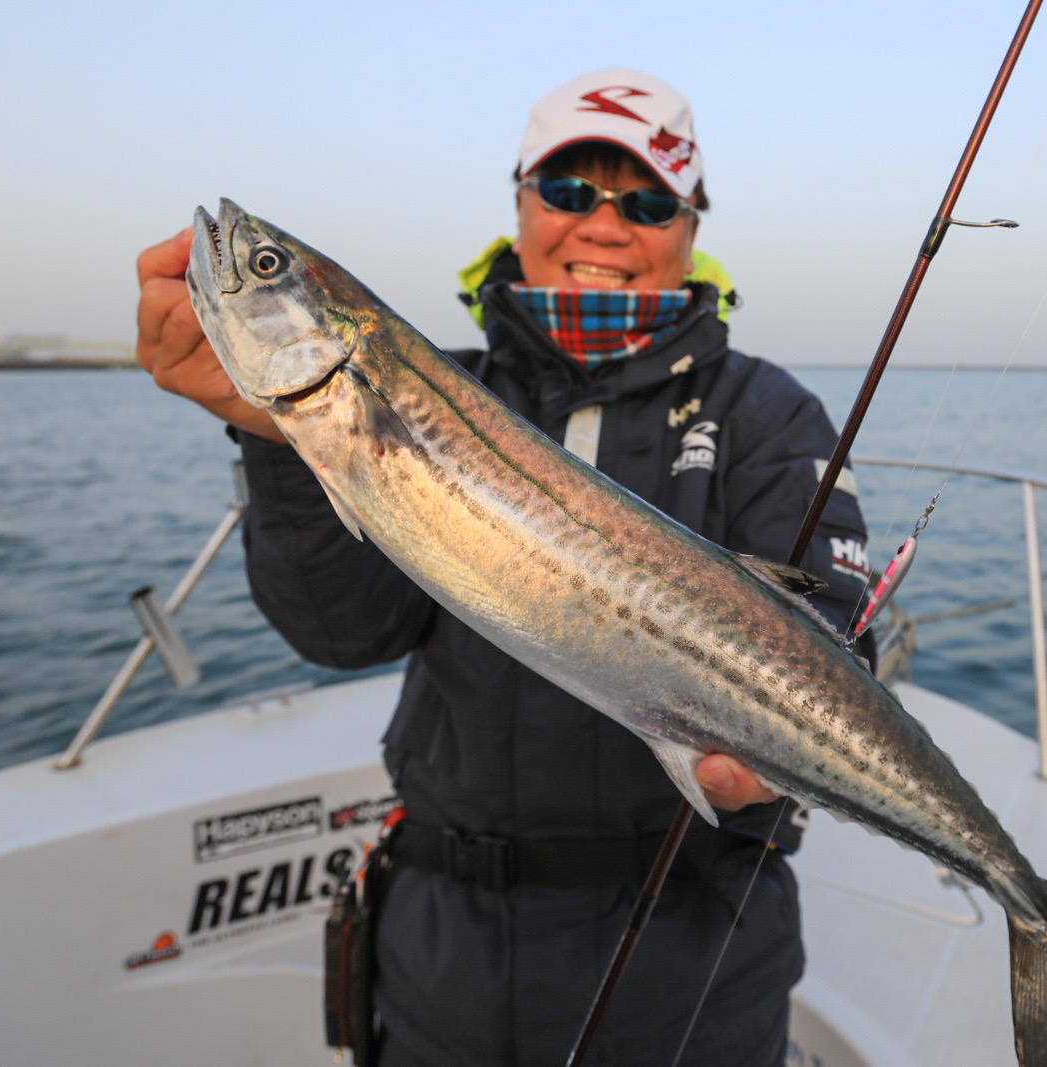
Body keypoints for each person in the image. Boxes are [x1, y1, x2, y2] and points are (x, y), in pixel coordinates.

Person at [136, 68, 870, 1066]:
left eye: (648, 201)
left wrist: (774, 764)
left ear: (693, 223)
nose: (604, 226)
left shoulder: (766, 414)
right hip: (441, 951)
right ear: (521, 203)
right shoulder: (444, 389)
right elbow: (343, 632)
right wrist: (274, 438)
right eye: (569, 193)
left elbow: (837, 638)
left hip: (696, 962)